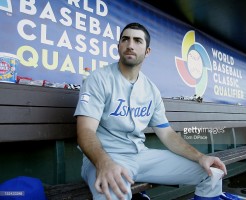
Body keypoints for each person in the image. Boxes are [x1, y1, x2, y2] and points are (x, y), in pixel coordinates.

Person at [74, 22, 227, 200]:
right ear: (118, 47)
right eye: (125, 39)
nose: (130, 45)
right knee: (112, 194)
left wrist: (200, 157)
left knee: (211, 173)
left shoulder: (151, 90)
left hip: (141, 156)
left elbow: (167, 134)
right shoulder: (98, 79)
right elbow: (85, 131)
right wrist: (104, 163)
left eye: (137, 40)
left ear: (147, 51)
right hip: (106, 158)